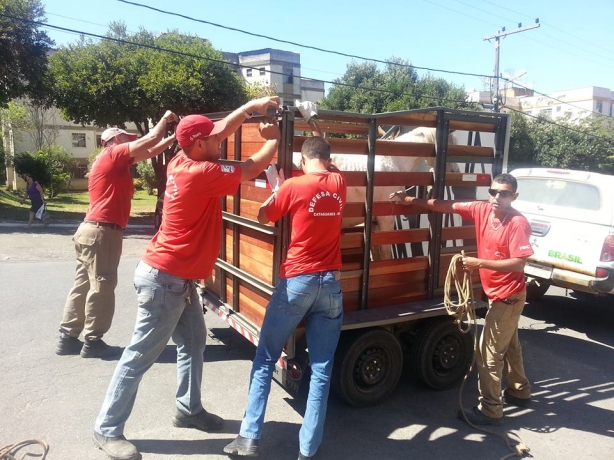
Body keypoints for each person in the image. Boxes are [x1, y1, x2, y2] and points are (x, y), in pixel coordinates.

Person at [92, 96, 282, 460]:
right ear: (199, 144)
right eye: (212, 139)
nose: (219, 140)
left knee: (193, 343)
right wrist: (277, 138)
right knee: (139, 356)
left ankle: (188, 410)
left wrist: (250, 106)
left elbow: (220, 130)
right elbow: (250, 166)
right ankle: (107, 428)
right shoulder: (202, 173)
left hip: (177, 281)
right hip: (164, 281)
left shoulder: (185, 158)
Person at [224, 133, 347, 460]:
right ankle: (308, 450)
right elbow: (327, 166)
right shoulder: (339, 183)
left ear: (303, 160)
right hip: (331, 284)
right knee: (321, 369)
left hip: (297, 282)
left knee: (265, 358)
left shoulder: (294, 185)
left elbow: (265, 216)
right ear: (327, 158)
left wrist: (277, 188)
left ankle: (249, 438)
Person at [390, 173, 534, 426]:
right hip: (499, 297)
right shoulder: (480, 209)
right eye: (493, 192)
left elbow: (519, 263)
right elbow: (445, 206)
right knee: (510, 345)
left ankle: (490, 409)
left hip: (508, 297)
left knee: (488, 354)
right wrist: (410, 199)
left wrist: (480, 263)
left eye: (504, 193)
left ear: (514, 196)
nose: (497, 197)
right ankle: (519, 390)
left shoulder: (517, 223)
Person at [56, 112, 179, 359]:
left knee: (82, 285)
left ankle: (67, 338)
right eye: (125, 139)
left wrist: (175, 137)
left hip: (90, 231)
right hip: (102, 232)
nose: (129, 143)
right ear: (112, 141)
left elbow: (151, 150)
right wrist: (165, 120)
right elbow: (150, 139)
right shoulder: (112, 154)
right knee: (102, 284)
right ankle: (93, 341)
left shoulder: (113, 161)